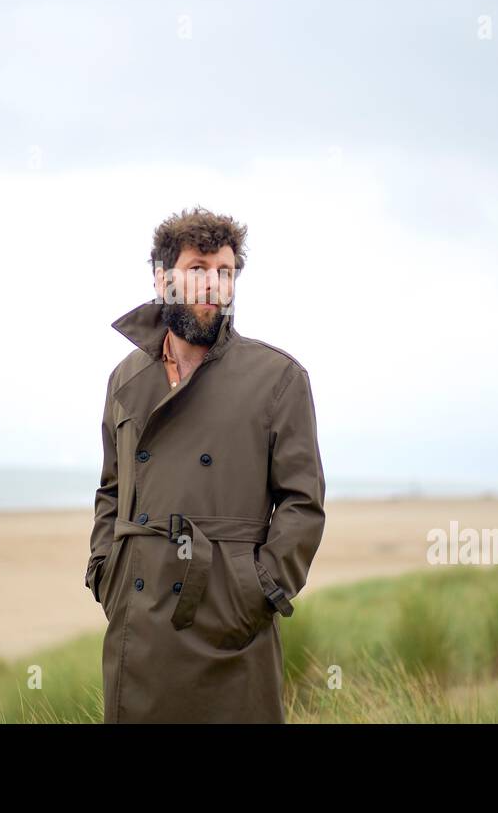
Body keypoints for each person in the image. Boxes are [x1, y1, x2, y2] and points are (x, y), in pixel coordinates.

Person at [84, 206, 327, 722]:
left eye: (226, 271)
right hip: (139, 619)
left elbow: (302, 504)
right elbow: (111, 488)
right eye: (198, 269)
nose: (214, 285)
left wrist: (255, 590)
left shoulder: (277, 378)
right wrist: (107, 570)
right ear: (162, 278)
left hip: (229, 622)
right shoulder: (125, 379)